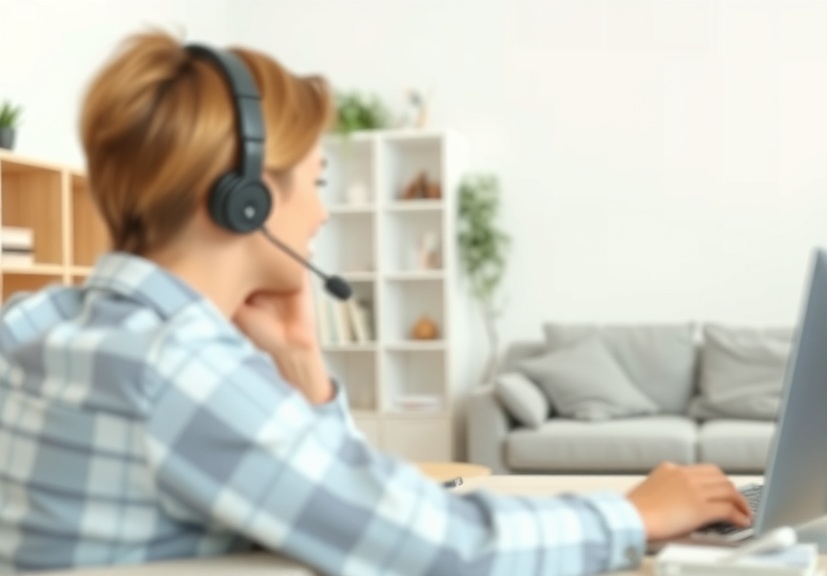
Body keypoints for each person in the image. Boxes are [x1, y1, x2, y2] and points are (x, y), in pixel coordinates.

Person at [0, 29, 751, 575]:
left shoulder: (33, 323)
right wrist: (635, 514)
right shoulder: (180, 369)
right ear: (243, 201)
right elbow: (430, 545)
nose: (323, 212)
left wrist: (301, 360)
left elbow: (339, 492)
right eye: (317, 181)